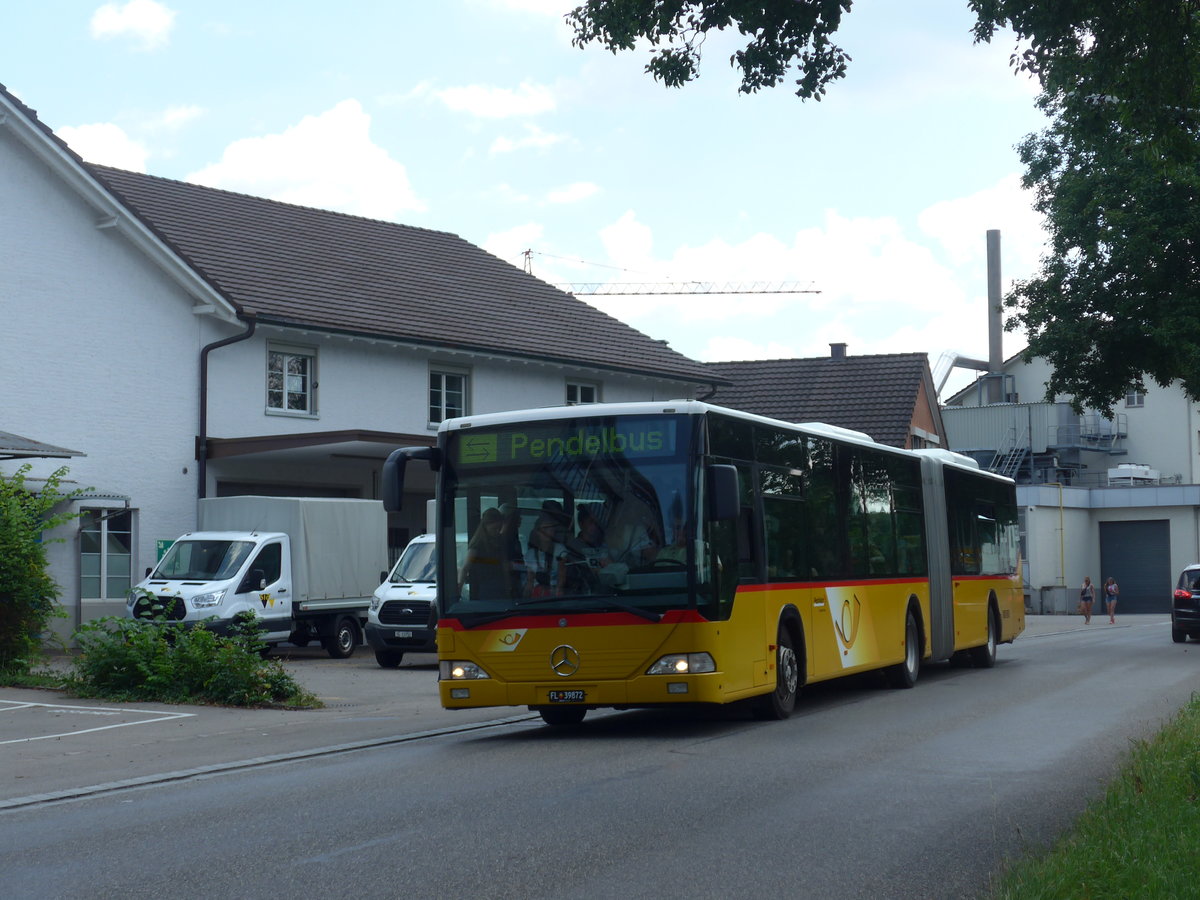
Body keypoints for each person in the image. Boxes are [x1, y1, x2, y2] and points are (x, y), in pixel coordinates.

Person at [459, 508, 511, 600]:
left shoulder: (500, 540)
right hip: (485, 586)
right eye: (494, 528)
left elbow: (504, 565)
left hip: (501, 584)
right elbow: (465, 567)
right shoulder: (478, 544)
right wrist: (459, 588)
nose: (497, 531)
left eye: (499, 528)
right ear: (486, 526)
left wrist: (508, 585)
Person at [524, 506, 569, 599]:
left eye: (550, 529)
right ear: (537, 532)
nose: (547, 532)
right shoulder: (530, 555)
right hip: (535, 596)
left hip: (556, 595)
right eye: (544, 529)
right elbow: (529, 582)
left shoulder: (560, 550)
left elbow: (562, 573)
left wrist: (558, 590)